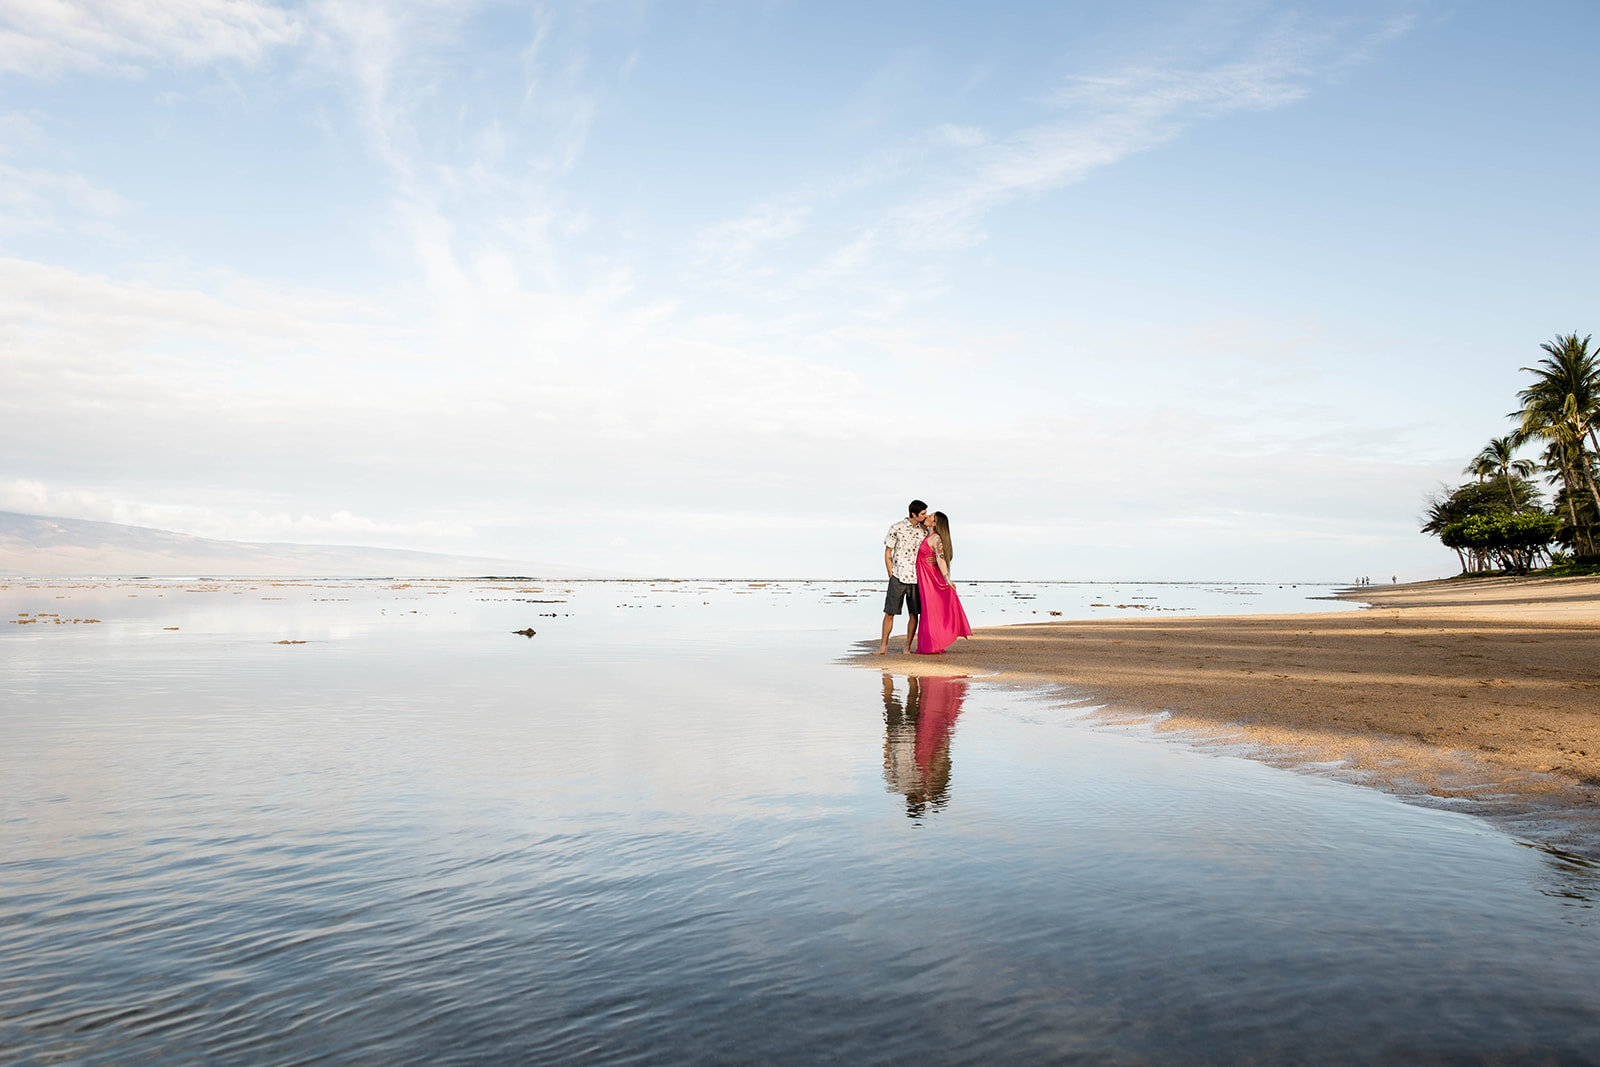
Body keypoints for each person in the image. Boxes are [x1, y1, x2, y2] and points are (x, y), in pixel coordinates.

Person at [874, 499, 928, 655]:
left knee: (914, 614)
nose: (925, 516)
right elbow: (887, 551)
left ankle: (907, 648)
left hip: (917, 579)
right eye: (922, 513)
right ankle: (883, 647)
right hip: (898, 576)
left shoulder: (924, 531)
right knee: (889, 612)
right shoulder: (896, 528)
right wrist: (890, 574)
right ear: (914, 514)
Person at [915, 511, 972, 654]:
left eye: (930, 517)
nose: (927, 517)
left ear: (935, 523)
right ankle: (930, 644)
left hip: (931, 579)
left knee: (931, 610)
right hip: (924, 577)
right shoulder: (928, 535)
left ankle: (933, 644)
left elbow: (940, 558)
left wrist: (947, 578)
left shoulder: (936, 538)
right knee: (928, 611)